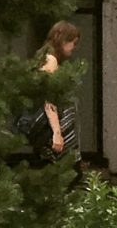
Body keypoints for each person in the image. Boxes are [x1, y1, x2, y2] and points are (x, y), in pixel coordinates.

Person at [33, 20, 82, 164]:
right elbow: (49, 98)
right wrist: (57, 133)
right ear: (63, 40)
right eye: (73, 42)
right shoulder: (50, 61)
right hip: (53, 131)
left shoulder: (45, 57)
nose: (74, 47)